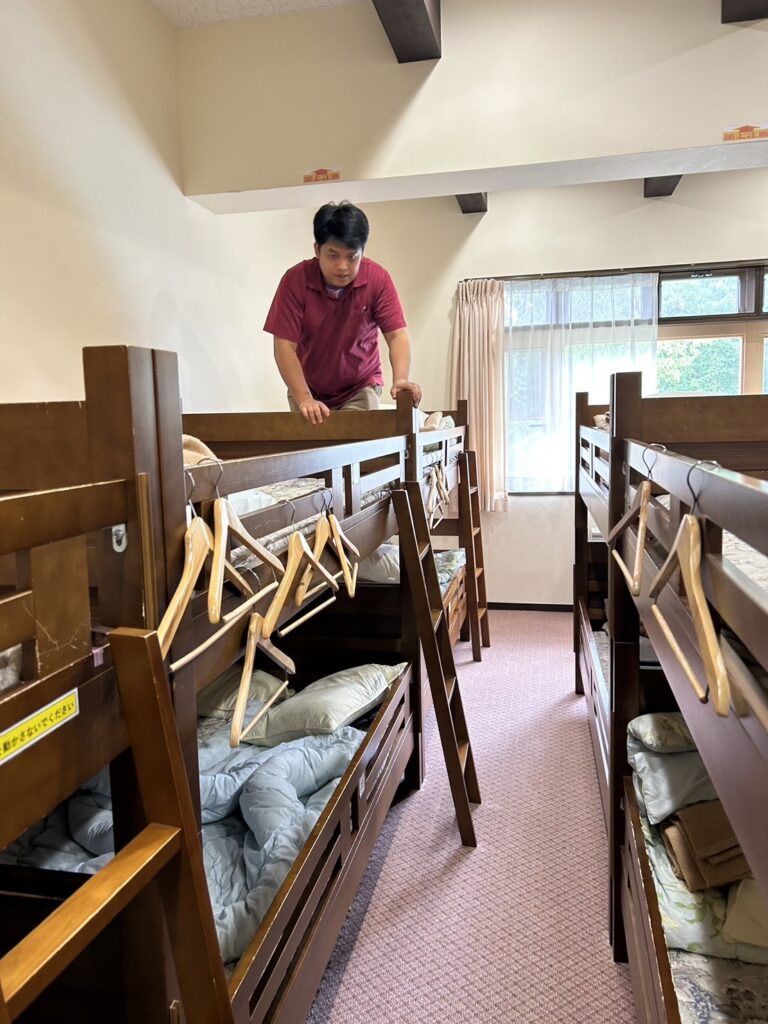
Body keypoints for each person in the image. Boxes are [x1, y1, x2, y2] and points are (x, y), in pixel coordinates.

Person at [265, 201, 422, 424]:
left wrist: (401, 379)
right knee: (309, 444)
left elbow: (397, 335)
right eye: (333, 255)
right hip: (307, 387)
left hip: (359, 386)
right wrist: (304, 398)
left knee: (355, 440)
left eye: (351, 257)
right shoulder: (295, 281)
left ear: (362, 253)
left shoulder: (378, 279)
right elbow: (284, 347)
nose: (342, 266)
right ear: (317, 250)